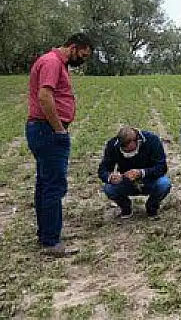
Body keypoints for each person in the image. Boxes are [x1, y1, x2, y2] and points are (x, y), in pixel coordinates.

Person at [26, 32, 94, 256]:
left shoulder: (54, 62)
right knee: (54, 185)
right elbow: (45, 96)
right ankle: (51, 241)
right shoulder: (52, 62)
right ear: (74, 47)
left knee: (45, 184)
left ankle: (47, 235)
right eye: (83, 55)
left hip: (44, 130)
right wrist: (58, 129)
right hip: (48, 131)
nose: (82, 60)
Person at [98, 126, 171, 219]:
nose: (128, 153)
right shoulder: (112, 145)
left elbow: (162, 167)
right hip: (126, 181)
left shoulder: (152, 140)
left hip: (150, 179)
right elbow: (102, 170)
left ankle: (152, 207)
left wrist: (141, 172)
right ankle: (126, 207)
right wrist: (110, 177)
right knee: (109, 188)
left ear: (136, 141)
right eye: (124, 151)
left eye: (130, 150)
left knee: (164, 184)